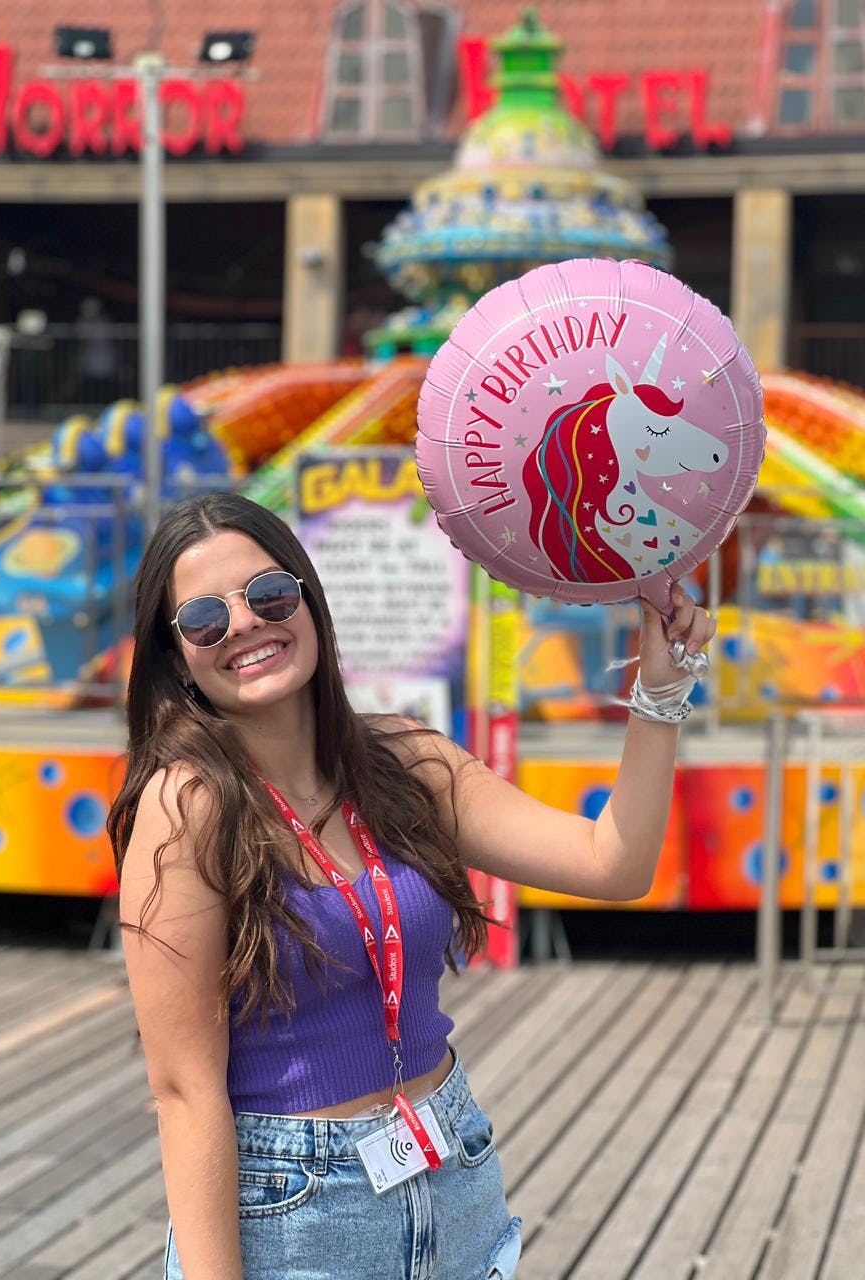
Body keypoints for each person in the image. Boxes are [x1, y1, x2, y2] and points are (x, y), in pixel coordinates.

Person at [109, 492, 715, 1280]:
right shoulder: (186, 806)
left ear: (309, 601)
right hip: (294, 1217)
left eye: (269, 594)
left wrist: (661, 691)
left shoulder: (406, 762)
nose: (246, 624)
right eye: (204, 619)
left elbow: (613, 864)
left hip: (453, 1174)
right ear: (176, 656)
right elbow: (184, 1092)